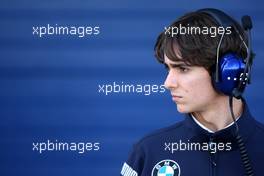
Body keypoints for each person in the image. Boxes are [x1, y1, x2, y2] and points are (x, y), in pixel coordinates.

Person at [120, 8, 264, 176]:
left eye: (183, 68)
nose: (167, 84)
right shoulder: (148, 152)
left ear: (228, 71)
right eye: (168, 68)